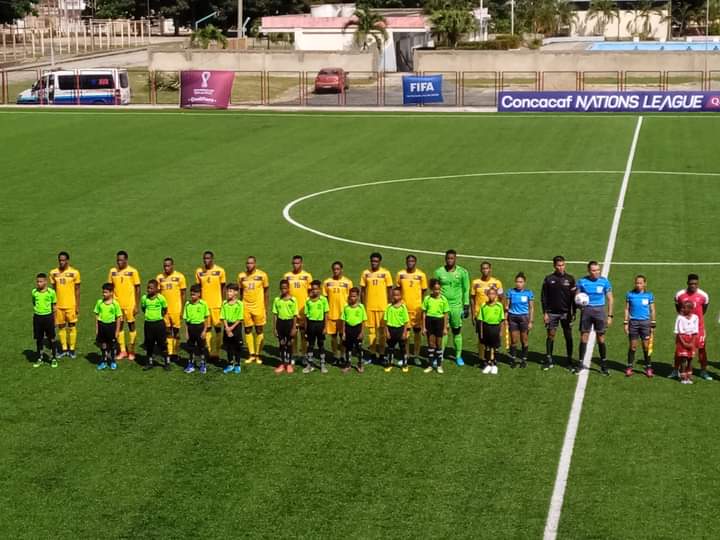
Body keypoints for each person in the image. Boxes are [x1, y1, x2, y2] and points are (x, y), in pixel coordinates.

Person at [576, 261, 614, 375]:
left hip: (600, 311)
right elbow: (577, 297)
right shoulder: (582, 281)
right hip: (587, 311)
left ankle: (603, 364)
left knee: (601, 338)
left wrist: (610, 316)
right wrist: (579, 304)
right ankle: (580, 363)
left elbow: (610, 299)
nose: (596, 272)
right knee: (584, 337)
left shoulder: (604, 281)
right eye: (593, 270)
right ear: (588, 271)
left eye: (598, 270)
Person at [434, 250, 470, 366]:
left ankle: (458, 356)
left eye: (452, 258)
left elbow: (466, 289)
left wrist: (466, 305)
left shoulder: (463, 272)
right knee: (443, 332)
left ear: (455, 259)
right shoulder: (439, 272)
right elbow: (435, 288)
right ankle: (441, 355)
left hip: (456, 307)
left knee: (456, 331)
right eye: (448, 258)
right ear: (445, 259)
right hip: (442, 307)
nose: (450, 260)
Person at [541, 256, 577, 371]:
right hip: (552, 313)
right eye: (558, 265)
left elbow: (573, 298)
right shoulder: (548, 279)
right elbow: (544, 297)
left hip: (566, 313)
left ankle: (569, 360)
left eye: (562, 265)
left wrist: (574, 311)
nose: (561, 267)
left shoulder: (570, 279)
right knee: (551, 335)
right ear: (554, 266)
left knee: (568, 336)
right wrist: (545, 313)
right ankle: (549, 359)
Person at [674, 274, 711, 380]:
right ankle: (676, 369)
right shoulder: (679, 295)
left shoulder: (704, 296)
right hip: (684, 329)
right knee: (679, 350)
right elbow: (678, 309)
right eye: (691, 284)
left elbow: (703, 310)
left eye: (695, 284)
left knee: (702, 349)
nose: (693, 286)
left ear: (698, 284)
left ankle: (703, 371)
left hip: (699, 328)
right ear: (687, 283)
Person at [360, 252, 393, 364]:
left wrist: (389, 304)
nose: (374, 263)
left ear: (380, 262)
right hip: (369, 306)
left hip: (382, 307)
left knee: (382, 331)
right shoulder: (366, 273)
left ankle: (382, 354)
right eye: (372, 261)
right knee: (372, 331)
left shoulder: (385, 273)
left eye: (376, 261)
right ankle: (372, 354)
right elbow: (363, 291)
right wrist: (363, 305)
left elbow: (389, 290)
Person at [108, 250, 141, 361]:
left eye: (121, 260)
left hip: (130, 304)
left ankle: (131, 350)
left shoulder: (133, 271)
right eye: (118, 260)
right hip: (117, 305)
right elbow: (110, 287)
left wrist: (136, 304)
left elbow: (137, 288)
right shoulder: (113, 271)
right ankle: (122, 350)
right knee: (120, 326)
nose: (119, 262)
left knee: (131, 326)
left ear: (126, 260)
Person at [396, 254, 428, 366]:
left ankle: (416, 356)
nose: (410, 263)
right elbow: (398, 291)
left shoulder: (421, 275)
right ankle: (406, 356)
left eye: (412, 261)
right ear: (406, 262)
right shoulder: (400, 274)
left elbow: (424, 291)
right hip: (404, 310)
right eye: (409, 261)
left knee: (417, 334)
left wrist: (422, 307)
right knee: (405, 335)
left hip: (417, 310)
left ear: (416, 262)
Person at [237, 256, 269, 365]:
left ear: (255, 264)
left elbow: (266, 292)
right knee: (247, 330)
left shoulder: (262, 275)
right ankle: (251, 354)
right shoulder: (241, 276)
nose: (249, 265)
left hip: (259, 307)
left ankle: (258, 354)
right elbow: (240, 292)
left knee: (259, 330)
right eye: (247, 263)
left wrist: (265, 307)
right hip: (246, 307)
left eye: (251, 263)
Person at [49, 251, 81, 359]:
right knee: (61, 326)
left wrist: (77, 305)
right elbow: (53, 290)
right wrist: (53, 305)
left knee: (72, 326)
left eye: (63, 260)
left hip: (71, 305)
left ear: (67, 260)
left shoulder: (74, 272)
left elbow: (77, 290)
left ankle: (72, 350)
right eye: (60, 260)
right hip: (59, 306)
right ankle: (64, 349)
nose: (61, 262)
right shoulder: (53, 273)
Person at [195, 251, 226, 360]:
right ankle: (208, 351)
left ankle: (216, 352)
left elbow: (223, 287)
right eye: (204, 258)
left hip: (217, 305)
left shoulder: (220, 271)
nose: (206, 260)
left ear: (212, 259)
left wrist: (223, 302)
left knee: (217, 329)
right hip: (204, 306)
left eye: (208, 258)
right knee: (207, 329)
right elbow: (198, 288)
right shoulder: (199, 271)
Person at [470, 261, 503, 363]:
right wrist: (473, 314)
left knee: (493, 338)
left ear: (490, 269)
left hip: (493, 316)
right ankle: (481, 358)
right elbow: (472, 299)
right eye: (483, 268)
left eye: (487, 268)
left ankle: (492, 358)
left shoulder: (497, 283)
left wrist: (498, 311)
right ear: (481, 270)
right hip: (480, 315)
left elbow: (501, 297)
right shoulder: (475, 283)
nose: (485, 270)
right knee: (481, 337)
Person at [624, 275, 656, 378]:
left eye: (640, 283)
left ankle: (648, 367)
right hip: (633, 323)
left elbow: (652, 310)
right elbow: (626, 309)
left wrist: (653, 323)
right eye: (637, 283)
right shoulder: (630, 295)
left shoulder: (649, 295)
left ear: (645, 284)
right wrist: (625, 322)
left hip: (645, 323)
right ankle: (629, 367)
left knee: (646, 346)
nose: (638, 285)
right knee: (633, 346)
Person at [283, 255, 313, 365]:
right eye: (294, 263)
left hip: (303, 309)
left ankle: (304, 355)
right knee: (293, 334)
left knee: (304, 333)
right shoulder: (287, 276)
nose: (296, 265)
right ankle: (294, 354)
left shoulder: (307, 276)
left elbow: (311, 294)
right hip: (291, 310)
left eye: (298, 263)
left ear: (302, 263)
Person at [156, 257, 186, 363]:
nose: (166, 268)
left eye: (168, 265)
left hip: (176, 309)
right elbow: (158, 295)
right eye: (165, 266)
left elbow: (183, 294)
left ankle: (175, 352)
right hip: (165, 310)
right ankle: (169, 352)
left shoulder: (180, 277)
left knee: (176, 331)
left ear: (172, 265)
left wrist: (182, 309)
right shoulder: (159, 278)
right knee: (167, 331)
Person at [323, 261, 353, 364]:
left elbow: (351, 299)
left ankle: (342, 356)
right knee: (333, 337)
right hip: (331, 314)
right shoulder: (327, 282)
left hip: (343, 315)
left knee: (343, 336)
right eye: (334, 269)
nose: (336, 271)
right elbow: (325, 299)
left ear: (341, 270)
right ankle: (335, 355)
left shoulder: (348, 282)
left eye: (338, 269)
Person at [505, 272, 534, 368]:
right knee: (513, 340)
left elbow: (531, 308)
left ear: (524, 283)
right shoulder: (510, 292)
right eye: (517, 282)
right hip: (512, 317)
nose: (518, 284)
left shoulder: (528, 293)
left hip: (524, 318)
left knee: (524, 339)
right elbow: (507, 306)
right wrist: (505, 319)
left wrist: (530, 321)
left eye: (521, 282)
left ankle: (523, 359)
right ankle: (513, 358)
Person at [422, 278, 450, 374]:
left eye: (438, 289)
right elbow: (424, 313)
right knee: (431, 344)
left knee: (439, 344)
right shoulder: (427, 299)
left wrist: (445, 327)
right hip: (429, 321)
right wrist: (424, 327)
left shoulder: (443, 299)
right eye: (435, 289)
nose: (437, 291)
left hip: (439, 321)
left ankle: (439, 365)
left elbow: (446, 314)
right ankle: (430, 365)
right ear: (432, 289)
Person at [140, 279, 169, 371]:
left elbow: (165, 309)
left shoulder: (161, 298)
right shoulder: (144, 298)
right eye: (148, 288)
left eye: (151, 288)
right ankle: (150, 362)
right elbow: (143, 308)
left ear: (157, 289)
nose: (149, 290)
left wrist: (158, 316)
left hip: (159, 324)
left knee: (162, 344)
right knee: (149, 344)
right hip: (148, 324)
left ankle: (166, 362)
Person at [272, 279, 299, 374]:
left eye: (285, 288)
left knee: (290, 344)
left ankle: (289, 364)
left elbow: (295, 315)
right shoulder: (277, 300)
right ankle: (283, 363)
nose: (283, 290)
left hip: (290, 323)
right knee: (282, 344)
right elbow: (275, 315)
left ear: (288, 288)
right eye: (282, 288)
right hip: (280, 323)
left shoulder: (293, 300)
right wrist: (275, 328)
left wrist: (294, 327)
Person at [94, 283, 122, 371]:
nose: (103, 294)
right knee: (103, 344)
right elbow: (97, 316)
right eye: (103, 292)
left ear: (111, 293)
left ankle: (113, 361)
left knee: (113, 345)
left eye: (105, 292)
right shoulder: (99, 302)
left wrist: (117, 331)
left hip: (111, 326)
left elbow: (118, 318)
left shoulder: (115, 304)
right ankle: (104, 360)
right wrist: (97, 329)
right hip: (102, 326)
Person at [303, 280, 330, 374]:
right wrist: (306, 329)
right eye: (313, 289)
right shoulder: (308, 300)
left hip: (320, 324)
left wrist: (326, 327)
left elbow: (326, 314)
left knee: (321, 344)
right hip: (311, 324)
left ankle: (322, 365)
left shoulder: (323, 300)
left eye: (316, 289)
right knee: (310, 345)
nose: (314, 291)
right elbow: (306, 315)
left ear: (320, 289)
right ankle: (309, 364)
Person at [183, 284, 210, 374]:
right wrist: (186, 332)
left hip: (200, 327)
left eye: (194, 294)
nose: (192, 296)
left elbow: (206, 318)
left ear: (199, 294)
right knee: (190, 348)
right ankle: (191, 364)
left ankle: (203, 364)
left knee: (201, 348)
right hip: (191, 328)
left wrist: (204, 330)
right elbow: (186, 320)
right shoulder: (187, 304)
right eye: (191, 294)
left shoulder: (203, 304)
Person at [31, 273, 57, 368]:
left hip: (48, 318)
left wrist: (55, 320)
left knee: (52, 338)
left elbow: (54, 307)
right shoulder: (34, 292)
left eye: (41, 281)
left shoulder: (51, 292)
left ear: (45, 282)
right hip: (37, 318)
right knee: (39, 339)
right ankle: (40, 358)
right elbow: (34, 303)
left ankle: (53, 358)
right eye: (37, 281)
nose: (38, 283)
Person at [477, 288, 505, 375]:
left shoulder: (499, 306)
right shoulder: (483, 306)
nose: (491, 296)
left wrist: (501, 331)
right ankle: (488, 363)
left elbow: (502, 320)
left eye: (493, 294)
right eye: (490, 294)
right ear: (487, 295)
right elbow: (481, 321)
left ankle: (495, 364)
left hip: (495, 328)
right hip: (486, 327)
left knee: (495, 347)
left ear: (496, 295)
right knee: (487, 347)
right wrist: (481, 333)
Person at [383, 287, 410, 373]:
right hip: (391, 329)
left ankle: (405, 364)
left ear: (401, 296)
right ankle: (390, 363)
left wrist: (404, 333)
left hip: (400, 329)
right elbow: (385, 321)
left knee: (402, 348)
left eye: (397, 295)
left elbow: (406, 322)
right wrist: (387, 332)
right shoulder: (388, 307)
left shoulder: (403, 307)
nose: (395, 297)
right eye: (394, 295)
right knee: (390, 348)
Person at [341, 287, 367, 373]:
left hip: (357, 329)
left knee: (359, 348)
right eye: (351, 296)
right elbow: (344, 320)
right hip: (348, 329)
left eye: (354, 296)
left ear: (358, 297)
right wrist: (344, 332)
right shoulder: (346, 307)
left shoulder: (361, 307)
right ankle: (348, 364)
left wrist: (362, 332)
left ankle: (360, 364)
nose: (353, 298)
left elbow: (363, 321)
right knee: (348, 348)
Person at [221, 283, 244, 374]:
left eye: (230, 291)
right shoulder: (224, 303)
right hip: (227, 326)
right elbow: (223, 317)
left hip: (236, 326)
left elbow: (240, 318)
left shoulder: (239, 304)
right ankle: (230, 364)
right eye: (227, 291)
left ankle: (237, 364)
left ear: (236, 293)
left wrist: (231, 328)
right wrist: (227, 328)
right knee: (229, 346)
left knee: (237, 346)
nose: (228, 293)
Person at [674, 300, 699, 384]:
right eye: (682, 307)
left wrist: (692, 342)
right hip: (682, 339)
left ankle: (689, 375)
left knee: (690, 358)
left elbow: (695, 331)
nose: (682, 309)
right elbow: (679, 332)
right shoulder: (680, 318)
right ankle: (683, 376)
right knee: (683, 359)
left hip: (692, 338)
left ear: (690, 309)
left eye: (684, 308)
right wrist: (684, 343)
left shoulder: (695, 317)